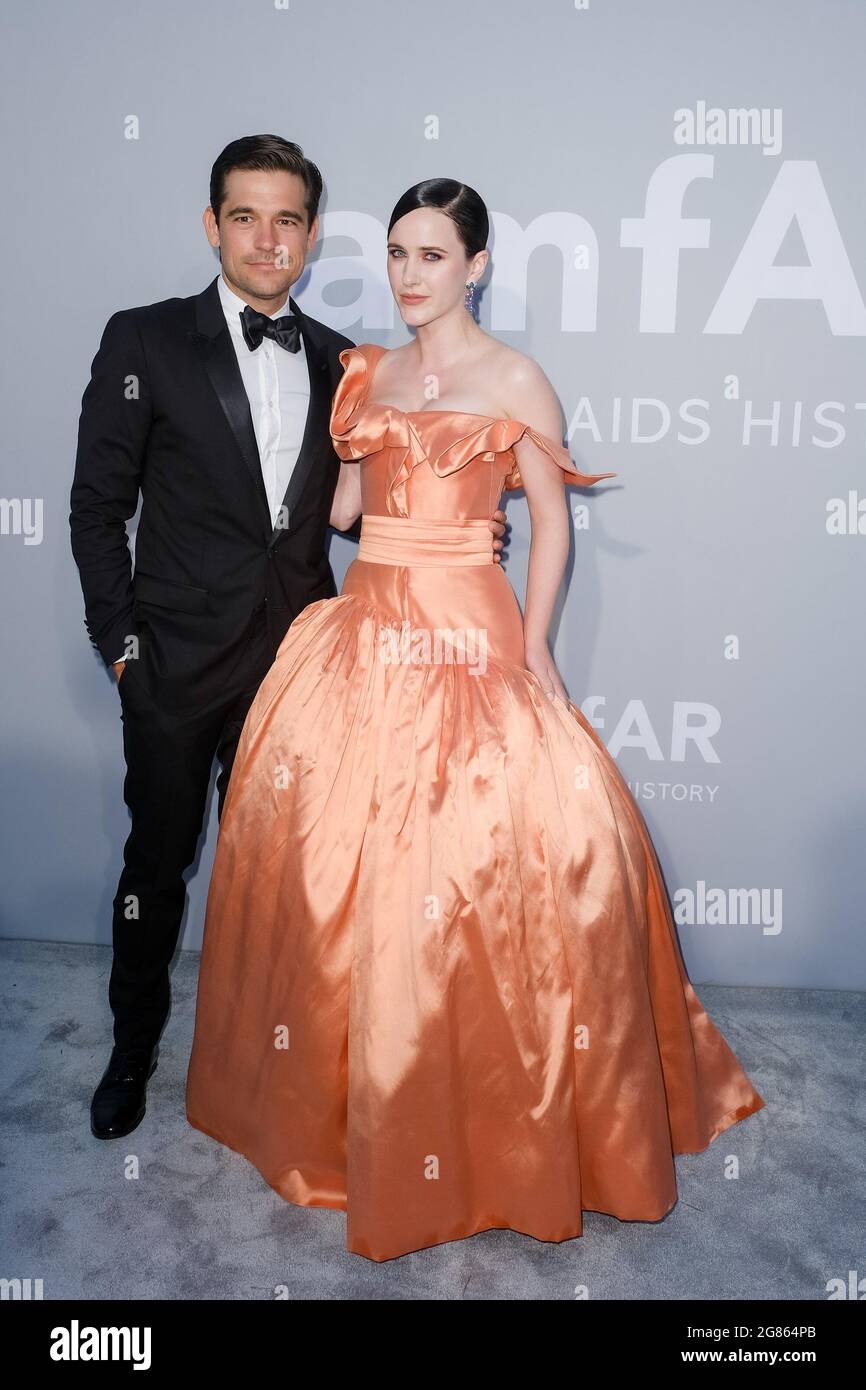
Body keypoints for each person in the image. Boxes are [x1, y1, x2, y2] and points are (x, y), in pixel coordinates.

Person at [185, 177, 765, 1262]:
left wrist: (534, 642)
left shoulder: (517, 380)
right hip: (366, 629)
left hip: (471, 630)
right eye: (397, 254)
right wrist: (327, 453)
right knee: (330, 864)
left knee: (512, 858)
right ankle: (340, 1106)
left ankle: (495, 1105)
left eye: (432, 256)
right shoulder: (364, 371)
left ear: (476, 265)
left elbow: (550, 522)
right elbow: (348, 516)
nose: (409, 275)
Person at [69, 137, 513, 1143]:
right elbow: (98, 509)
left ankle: (280, 1070)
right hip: (174, 663)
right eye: (244, 216)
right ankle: (130, 1052)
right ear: (211, 224)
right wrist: (121, 645)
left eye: (286, 219)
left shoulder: (344, 362)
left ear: (310, 235)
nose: (266, 238)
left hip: (303, 663)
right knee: (156, 865)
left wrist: (461, 521)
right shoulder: (145, 342)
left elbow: (359, 502)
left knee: (297, 878)